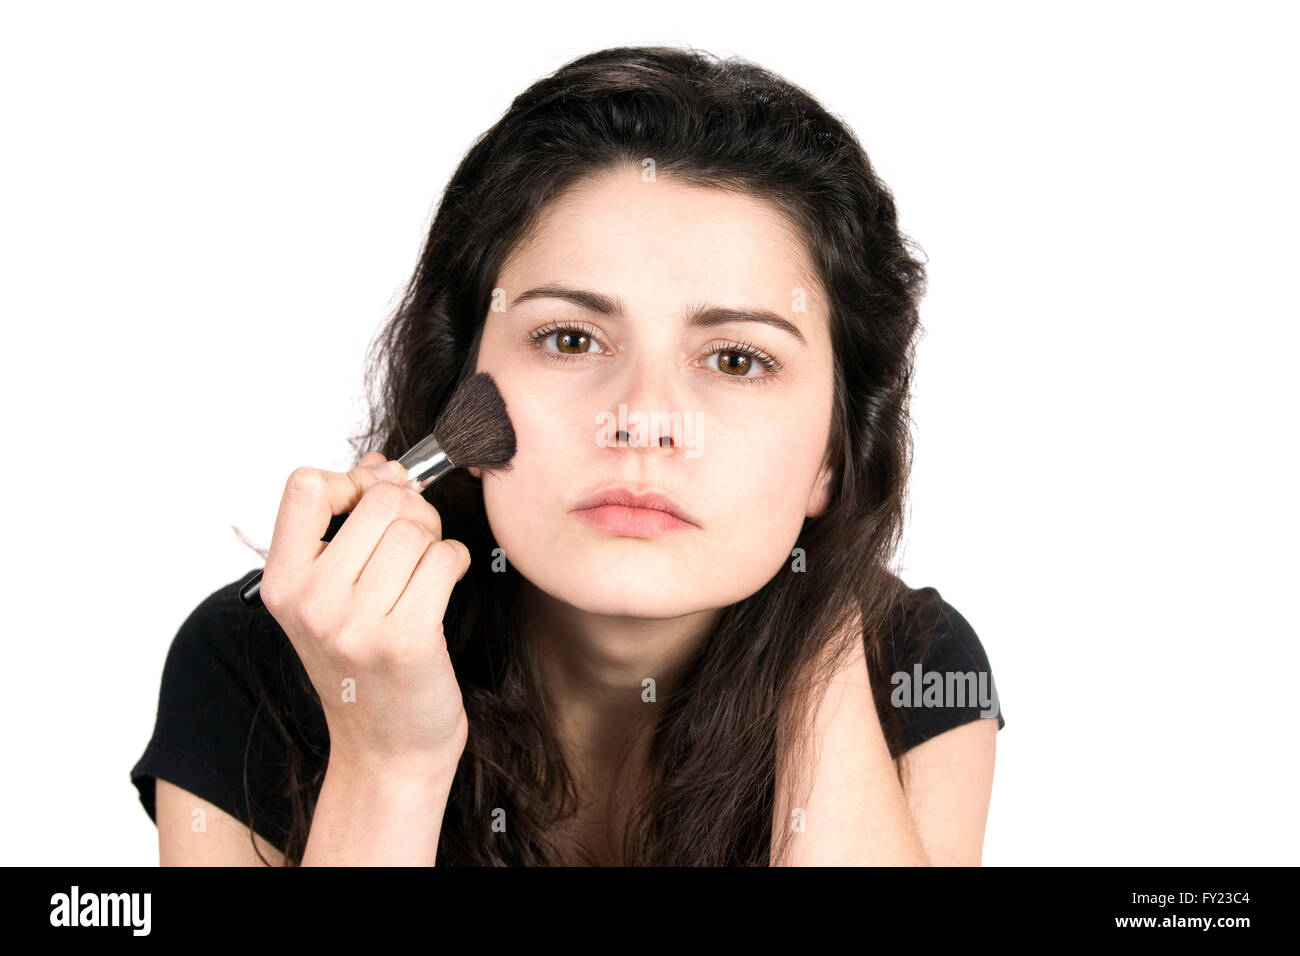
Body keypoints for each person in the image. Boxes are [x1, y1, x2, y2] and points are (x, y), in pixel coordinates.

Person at [131, 44, 1005, 866]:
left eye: (737, 359)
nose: (643, 421)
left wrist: (820, 643)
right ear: (461, 385)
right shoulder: (257, 655)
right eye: (570, 340)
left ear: (834, 454)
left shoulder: (919, 669)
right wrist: (389, 758)